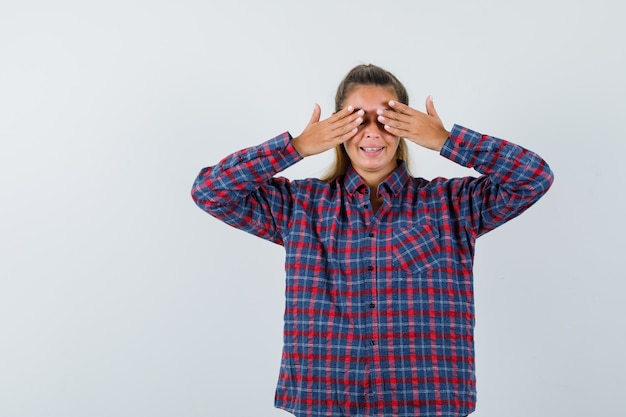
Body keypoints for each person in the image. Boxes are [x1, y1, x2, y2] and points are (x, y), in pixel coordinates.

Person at [191, 64, 554, 417]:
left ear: (407, 127)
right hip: (325, 402)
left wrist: (446, 141)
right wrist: (297, 146)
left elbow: (533, 177)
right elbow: (210, 192)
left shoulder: (453, 205)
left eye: (387, 118)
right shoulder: (298, 206)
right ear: (336, 128)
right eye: (357, 119)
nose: (372, 132)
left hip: (427, 402)